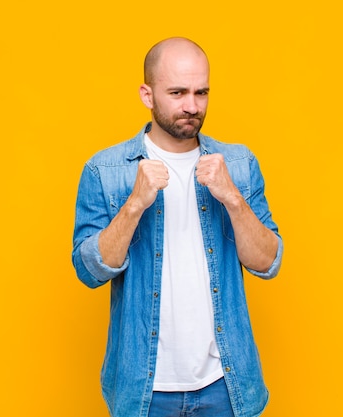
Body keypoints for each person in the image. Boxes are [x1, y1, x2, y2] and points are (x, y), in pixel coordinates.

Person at [72, 37, 283, 417]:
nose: (192, 106)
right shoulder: (105, 171)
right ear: (147, 94)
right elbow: (88, 271)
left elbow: (267, 263)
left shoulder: (238, 163)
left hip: (227, 383)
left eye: (201, 92)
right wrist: (134, 204)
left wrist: (232, 198)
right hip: (144, 386)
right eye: (177, 92)